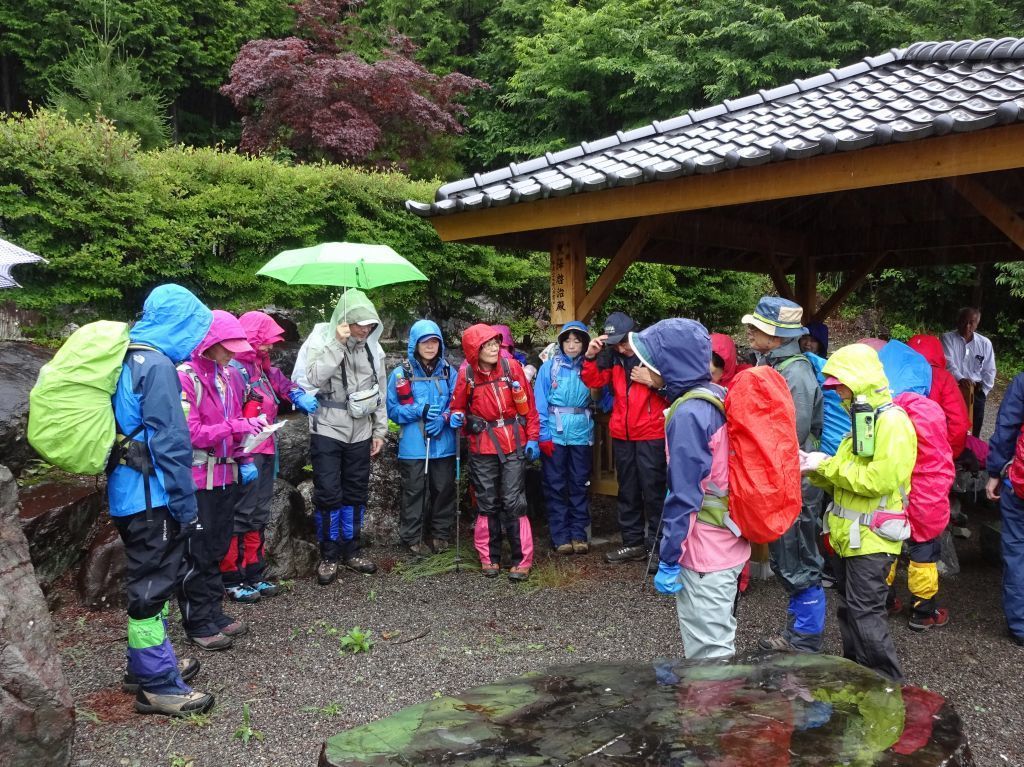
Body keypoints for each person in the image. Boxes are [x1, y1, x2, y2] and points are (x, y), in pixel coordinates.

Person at [108, 284, 215, 716]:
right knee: (152, 589)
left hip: (125, 492)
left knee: (147, 581)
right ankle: (157, 685)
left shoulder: (123, 357)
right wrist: (187, 507)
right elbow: (170, 442)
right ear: (180, 323)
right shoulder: (156, 366)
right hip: (153, 498)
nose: (195, 339)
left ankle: (146, 665)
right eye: (194, 327)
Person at [639, 319, 751, 659]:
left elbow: (685, 496)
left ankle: (713, 710)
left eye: (651, 359)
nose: (644, 366)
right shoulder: (717, 394)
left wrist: (669, 558)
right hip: (730, 538)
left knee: (709, 657)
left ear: (671, 362)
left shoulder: (689, 413)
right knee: (721, 644)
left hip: (705, 552)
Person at [805, 343, 916, 682]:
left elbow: (878, 481)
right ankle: (858, 682)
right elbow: (846, 478)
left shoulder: (893, 423)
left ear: (860, 381)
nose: (838, 392)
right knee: (851, 611)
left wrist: (827, 466)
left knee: (865, 614)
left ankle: (887, 689)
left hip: (872, 540)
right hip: (848, 538)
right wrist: (814, 468)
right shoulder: (863, 420)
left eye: (841, 384)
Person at [743, 297, 826, 652]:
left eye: (756, 328)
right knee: (787, 552)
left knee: (799, 553)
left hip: (793, 480)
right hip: (781, 476)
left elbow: (791, 432)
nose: (748, 332)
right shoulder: (775, 364)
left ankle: (805, 639)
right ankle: (799, 631)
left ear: (775, 337)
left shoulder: (796, 373)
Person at [220, 311, 319, 602]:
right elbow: (230, 415)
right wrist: (241, 455)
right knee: (241, 513)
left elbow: (284, 386)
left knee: (259, 513)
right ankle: (231, 577)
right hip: (245, 453)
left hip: (265, 449)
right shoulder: (234, 372)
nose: (269, 347)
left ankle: (254, 572)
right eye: (264, 341)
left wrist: (298, 395)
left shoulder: (262, 369)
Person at [178, 310, 262, 651]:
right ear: (208, 343)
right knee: (197, 551)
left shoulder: (228, 377)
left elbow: (235, 421)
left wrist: (244, 454)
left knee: (215, 547)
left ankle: (214, 611)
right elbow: (190, 433)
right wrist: (237, 428)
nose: (231, 353)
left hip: (226, 475)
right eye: (226, 346)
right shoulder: (186, 377)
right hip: (197, 480)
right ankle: (197, 621)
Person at [305, 290, 388, 585]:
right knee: (328, 493)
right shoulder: (322, 343)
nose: (365, 329)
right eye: (359, 324)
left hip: (361, 431)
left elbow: (380, 393)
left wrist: (380, 430)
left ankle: (351, 550)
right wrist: (337, 345)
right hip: (327, 428)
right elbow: (312, 379)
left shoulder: (373, 351)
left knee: (356, 492)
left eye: (369, 324)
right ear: (345, 322)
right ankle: (329, 554)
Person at [449, 324, 540, 580]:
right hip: (482, 444)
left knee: (513, 500)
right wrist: (459, 418)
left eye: (495, 344)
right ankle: (489, 558)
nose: (492, 348)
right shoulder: (466, 374)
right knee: (487, 502)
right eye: (486, 345)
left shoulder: (512, 369)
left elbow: (529, 408)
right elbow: (457, 407)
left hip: (513, 441)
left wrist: (533, 438)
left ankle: (521, 560)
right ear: (473, 350)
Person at [581, 311, 668, 564]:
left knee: (654, 491)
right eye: (615, 342)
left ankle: (658, 547)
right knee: (628, 490)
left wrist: (653, 381)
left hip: (651, 434)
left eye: (624, 341)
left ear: (635, 334)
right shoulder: (613, 358)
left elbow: (677, 390)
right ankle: (633, 544)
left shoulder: (654, 356)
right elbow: (593, 380)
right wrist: (590, 355)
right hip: (622, 434)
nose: (621, 347)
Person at [386, 320, 458, 556]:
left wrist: (445, 418)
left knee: (443, 489)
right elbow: (393, 411)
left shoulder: (449, 372)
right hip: (413, 444)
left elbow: (457, 403)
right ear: (415, 344)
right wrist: (419, 411)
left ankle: (440, 535)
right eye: (425, 341)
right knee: (414, 490)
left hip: (443, 442)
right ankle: (412, 537)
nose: (430, 346)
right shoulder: (400, 373)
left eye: (434, 341)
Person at [535, 321, 594, 554]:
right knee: (555, 485)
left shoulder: (589, 368)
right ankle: (560, 536)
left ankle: (579, 534)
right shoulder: (549, 368)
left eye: (577, 341)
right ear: (560, 342)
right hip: (555, 433)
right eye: (567, 340)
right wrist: (543, 435)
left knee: (579, 484)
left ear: (584, 343)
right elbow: (539, 403)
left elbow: (600, 394)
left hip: (581, 433)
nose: (572, 345)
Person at [985, 370, 1024, 646]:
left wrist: (996, 472)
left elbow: (1007, 426)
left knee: (1017, 550)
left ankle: (1020, 625)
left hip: (1020, 484)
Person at [908, 334, 969, 460]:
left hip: (901, 450)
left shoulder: (898, 374)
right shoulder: (944, 378)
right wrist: (947, 454)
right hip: (933, 452)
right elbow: (959, 424)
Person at [942, 307, 996, 437]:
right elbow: (948, 362)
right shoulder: (947, 338)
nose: (967, 326)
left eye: (972, 322)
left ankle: (973, 452)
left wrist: (983, 392)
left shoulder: (985, 343)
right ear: (957, 321)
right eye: (964, 321)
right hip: (954, 387)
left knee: (975, 427)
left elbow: (990, 369)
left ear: (977, 323)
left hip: (976, 390)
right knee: (953, 424)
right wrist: (961, 379)